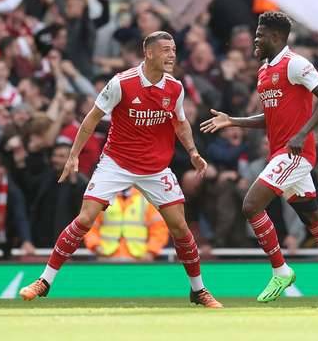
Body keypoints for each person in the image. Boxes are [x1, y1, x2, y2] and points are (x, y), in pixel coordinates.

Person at [19, 32, 222, 308]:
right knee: (85, 219)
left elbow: (180, 123)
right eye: (165, 50)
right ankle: (44, 282)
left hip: (155, 168)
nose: (172, 55)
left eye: (173, 50)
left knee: (181, 229)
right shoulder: (121, 83)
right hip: (117, 163)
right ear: (148, 53)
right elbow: (91, 120)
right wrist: (73, 156)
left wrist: (194, 153)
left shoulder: (175, 88)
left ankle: (198, 291)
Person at [200, 11, 318, 308]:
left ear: (276, 37)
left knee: (251, 205)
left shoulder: (296, 63)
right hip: (281, 152)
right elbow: (270, 118)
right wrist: (233, 121)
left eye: (260, 34)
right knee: (313, 217)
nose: (255, 39)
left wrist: (302, 133)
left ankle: (281, 270)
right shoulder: (265, 70)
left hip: (295, 154)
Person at [84, 186, 170, 260]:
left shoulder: (146, 199)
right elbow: (90, 226)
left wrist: (150, 252)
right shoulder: (103, 197)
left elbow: (159, 229)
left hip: (139, 259)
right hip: (106, 257)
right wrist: (96, 246)